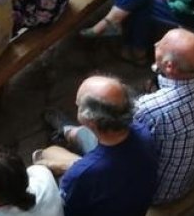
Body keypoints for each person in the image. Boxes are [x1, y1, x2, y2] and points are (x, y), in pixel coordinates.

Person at [49, 30, 194, 204]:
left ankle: (68, 131)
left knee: (96, 135)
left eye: (160, 45)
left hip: (160, 191)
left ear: (170, 66)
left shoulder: (151, 108)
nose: (155, 44)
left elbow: (116, 132)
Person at [35, 76, 157, 216]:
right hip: (125, 186)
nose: (76, 104)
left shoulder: (79, 176)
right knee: (79, 138)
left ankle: (65, 135)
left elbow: (68, 211)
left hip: (97, 178)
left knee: (48, 153)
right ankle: (66, 129)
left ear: (90, 121)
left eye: (78, 104)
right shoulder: (142, 131)